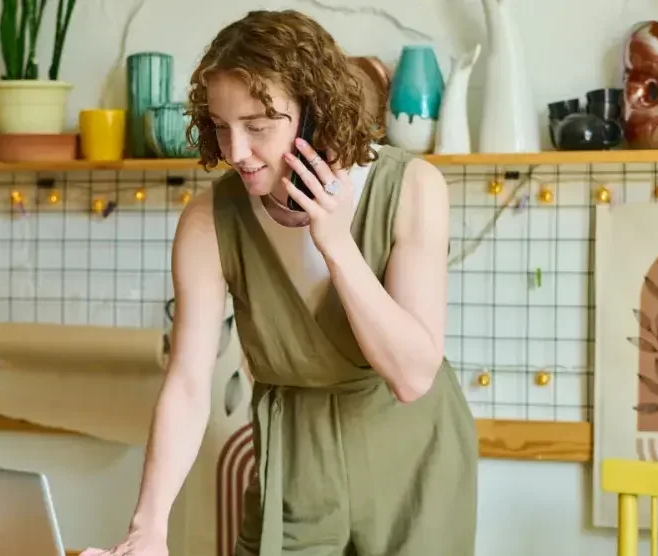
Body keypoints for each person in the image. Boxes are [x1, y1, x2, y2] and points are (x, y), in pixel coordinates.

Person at [81, 9, 477, 556]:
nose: (234, 152)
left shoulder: (412, 187)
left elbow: (412, 376)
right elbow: (189, 383)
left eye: (258, 125)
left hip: (413, 455)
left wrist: (336, 244)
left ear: (315, 115)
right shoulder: (207, 221)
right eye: (222, 126)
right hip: (292, 461)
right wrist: (149, 525)